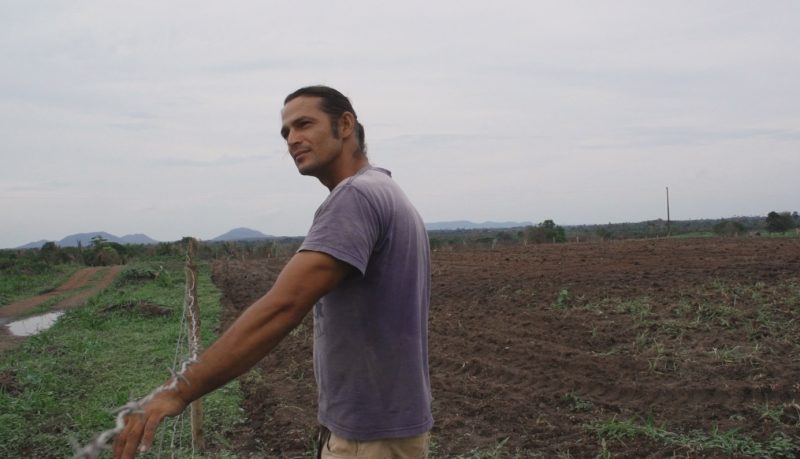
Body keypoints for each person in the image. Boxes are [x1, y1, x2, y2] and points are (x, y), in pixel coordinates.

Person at [113, 85, 433, 459]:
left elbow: (283, 306)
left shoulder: (355, 198)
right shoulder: (387, 190)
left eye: (304, 124)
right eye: (286, 133)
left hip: (370, 437)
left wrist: (179, 390)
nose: (293, 139)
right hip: (388, 426)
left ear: (345, 125)